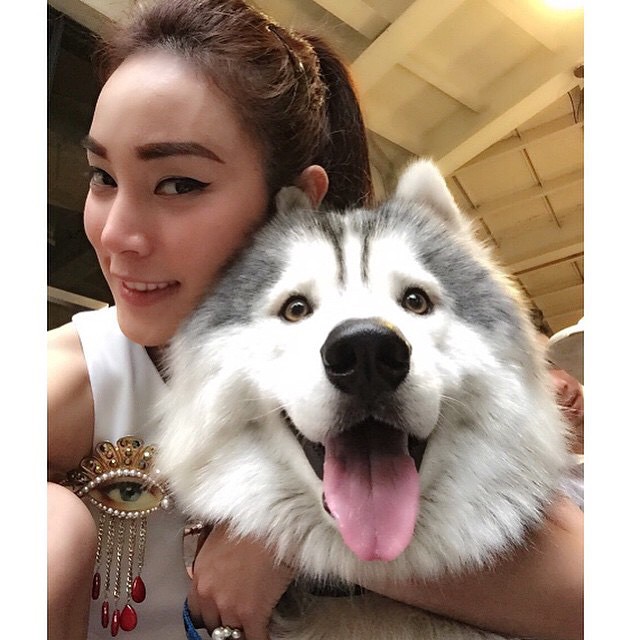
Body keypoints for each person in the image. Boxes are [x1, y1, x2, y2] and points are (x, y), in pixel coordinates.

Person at [47, 1, 583, 639]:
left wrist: (289, 538)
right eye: (102, 176)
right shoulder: (65, 383)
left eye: (179, 183)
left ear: (295, 203)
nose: (116, 234)